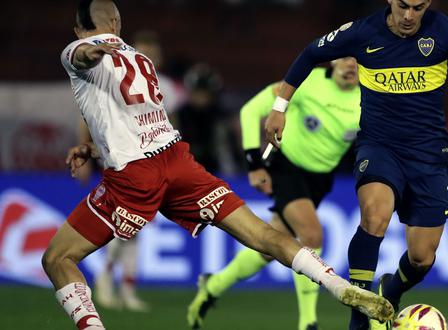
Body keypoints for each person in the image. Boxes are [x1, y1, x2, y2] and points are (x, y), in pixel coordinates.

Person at [42, 1, 392, 329]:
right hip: (178, 161)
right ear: (117, 23)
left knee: (57, 259)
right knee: (264, 235)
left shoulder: (77, 51)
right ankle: (336, 283)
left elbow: (84, 56)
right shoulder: (141, 60)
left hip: (137, 174)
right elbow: (141, 126)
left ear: (77, 29)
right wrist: (93, 147)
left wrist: (90, 51)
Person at [263, 1, 448, 329]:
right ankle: (360, 316)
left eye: (419, 7)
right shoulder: (363, 32)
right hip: (380, 147)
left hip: (429, 155)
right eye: (403, 6)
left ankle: (391, 289)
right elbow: (310, 54)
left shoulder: (443, 30)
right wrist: (280, 107)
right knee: (375, 215)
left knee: (422, 258)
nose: (410, 16)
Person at [187, 57, 361, 330]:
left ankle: (214, 284)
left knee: (272, 245)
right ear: (334, 60)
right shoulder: (307, 81)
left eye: (359, 59)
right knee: (312, 234)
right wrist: (254, 164)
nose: (352, 64)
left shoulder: (370, 97)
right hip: (285, 167)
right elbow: (250, 111)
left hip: (320, 178)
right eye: (346, 57)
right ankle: (308, 322)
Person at [92, 29, 181, 313]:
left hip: (156, 163)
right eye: (143, 49)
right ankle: (104, 278)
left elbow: (172, 123)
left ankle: (127, 290)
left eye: (152, 51)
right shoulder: (113, 75)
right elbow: (92, 112)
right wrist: (85, 144)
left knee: (136, 228)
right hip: (126, 159)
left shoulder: (166, 84)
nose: (148, 55)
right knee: (127, 224)